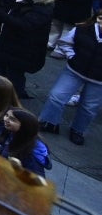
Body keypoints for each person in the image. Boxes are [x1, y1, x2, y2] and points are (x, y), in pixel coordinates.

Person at [40, 8, 102, 145]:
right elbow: (65, 43)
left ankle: (78, 130)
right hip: (75, 70)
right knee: (57, 96)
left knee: (89, 107)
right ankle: (50, 122)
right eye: (101, 19)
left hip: (99, 80)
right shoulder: (82, 29)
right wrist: (72, 56)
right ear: (96, 18)